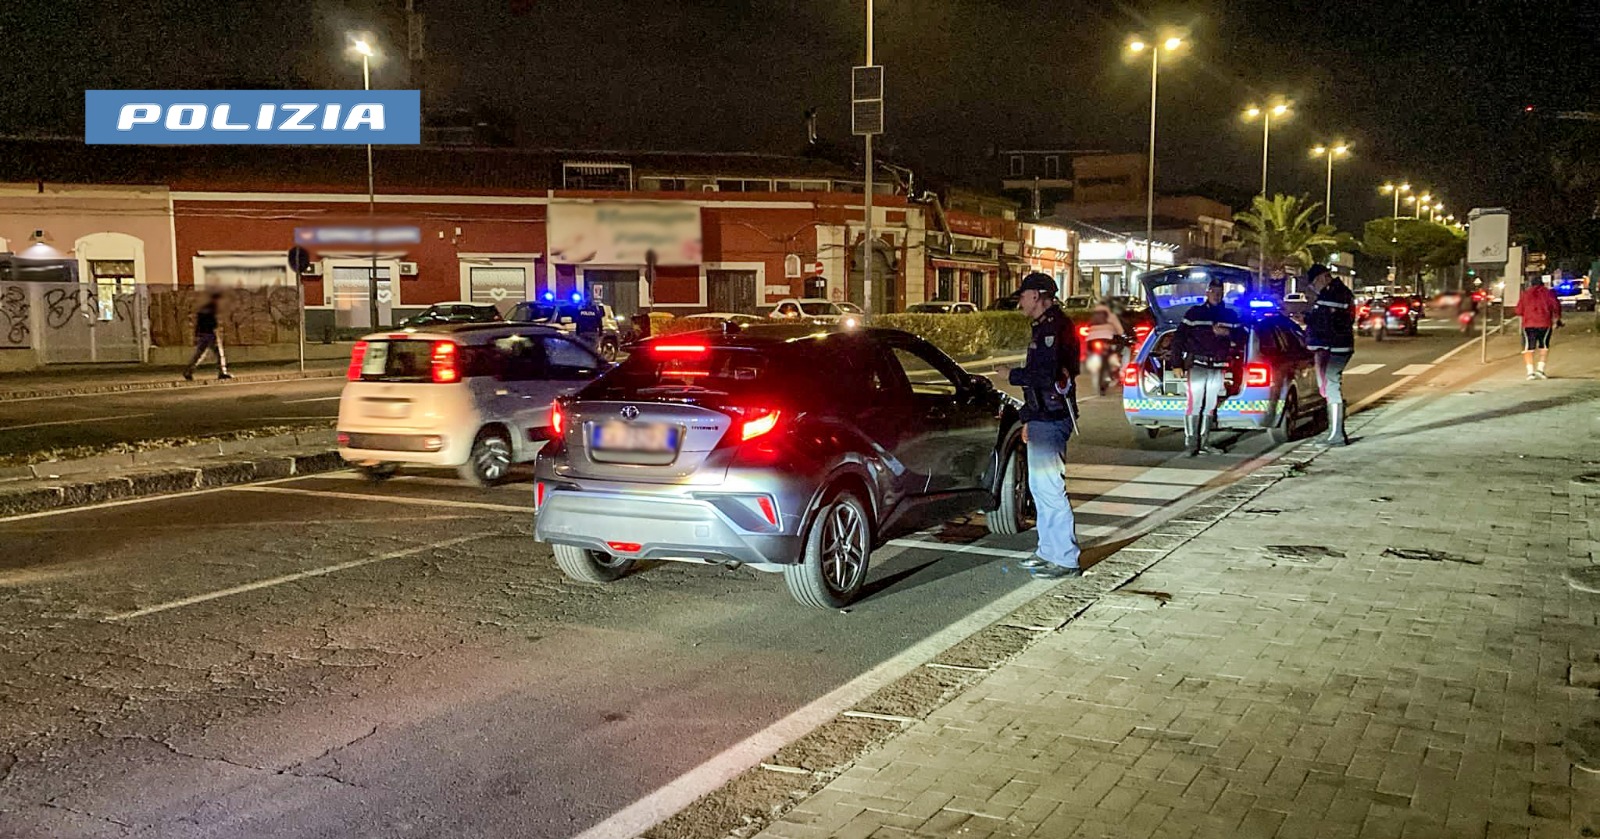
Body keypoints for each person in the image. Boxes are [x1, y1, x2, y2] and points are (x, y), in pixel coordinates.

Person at [994, 273, 1083, 579]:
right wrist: (1030, 417)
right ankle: (1048, 551)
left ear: (1038, 296)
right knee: (1039, 488)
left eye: (1023, 295)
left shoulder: (1056, 328)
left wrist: (1012, 375)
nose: (1020, 301)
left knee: (1051, 490)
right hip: (1042, 415)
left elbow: (1047, 377)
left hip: (1053, 416)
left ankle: (1066, 558)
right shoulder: (1044, 327)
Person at [1167, 277, 1242, 456]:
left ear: (1223, 294)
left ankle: (1205, 443)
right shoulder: (1194, 313)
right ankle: (1192, 444)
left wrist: (1228, 332)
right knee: (1194, 404)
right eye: (1213, 292)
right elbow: (1178, 339)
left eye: (1219, 292)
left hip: (1218, 366)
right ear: (1207, 293)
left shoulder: (1229, 315)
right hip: (1198, 365)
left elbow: (1242, 338)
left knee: (1210, 405)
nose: (1216, 295)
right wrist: (1176, 364)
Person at [1304, 264, 1355, 445]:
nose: (1314, 289)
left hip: (1334, 347)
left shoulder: (1332, 294)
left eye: (1313, 284)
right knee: (1330, 386)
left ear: (1322, 278)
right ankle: (1335, 431)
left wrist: (1305, 319)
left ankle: (1336, 434)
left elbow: (1323, 323)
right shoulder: (1339, 292)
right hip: (1336, 346)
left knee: (1331, 385)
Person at [1515, 276, 1563, 380]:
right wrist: (1557, 318)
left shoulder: (1526, 294)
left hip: (1528, 324)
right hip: (1545, 324)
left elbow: (1518, 311)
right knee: (1544, 346)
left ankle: (1530, 372)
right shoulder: (1549, 293)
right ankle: (1540, 370)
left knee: (1528, 348)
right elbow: (1556, 307)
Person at [183, 292, 231, 381]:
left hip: (203, 334)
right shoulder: (212, 308)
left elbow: (198, 322)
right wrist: (216, 329)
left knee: (199, 354)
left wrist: (197, 333)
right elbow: (213, 322)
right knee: (219, 353)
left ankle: (188, 371)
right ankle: (222, 372)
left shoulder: (203, 308)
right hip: (211, 334)